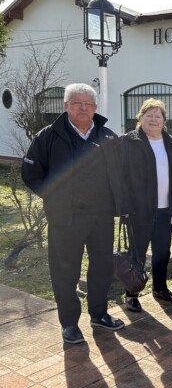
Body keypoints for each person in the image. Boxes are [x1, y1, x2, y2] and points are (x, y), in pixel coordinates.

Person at [21, 83, 126, 344]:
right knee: (65, 270)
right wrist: (54, 196)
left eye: (88, 104)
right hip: (65, 217)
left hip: (101, 216)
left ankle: (99, 314)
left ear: (95, 108)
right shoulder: (48, 136)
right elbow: (31, 173)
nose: (83, 108)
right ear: (66, 105)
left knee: (102, 266)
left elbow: (122, 173)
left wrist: (122, 205)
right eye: (77, 103)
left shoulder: (108, 137)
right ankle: (69, 323)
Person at [120, 98, 172, 310]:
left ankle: (160, 287)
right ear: (140, 118)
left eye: (157, 116)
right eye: (148, 115)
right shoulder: (128, 143)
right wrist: (123, 206)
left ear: (164, 121)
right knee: (137, 253)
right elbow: (120, 177)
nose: (153, 119)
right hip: (138, 210)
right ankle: (132, 293)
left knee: (162, 252)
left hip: (165, 210)